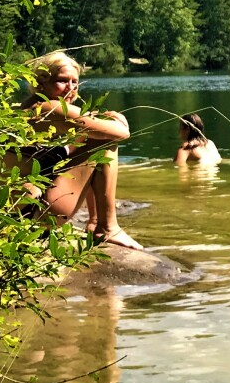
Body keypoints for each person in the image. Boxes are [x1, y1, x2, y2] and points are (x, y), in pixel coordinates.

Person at [11, 52, 143, 250]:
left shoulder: (28, 106)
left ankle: (95, 221)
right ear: (41, 82)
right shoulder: (51, 108)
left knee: (86, 138)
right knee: (104, 142)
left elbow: (84, 126)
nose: (71, 89)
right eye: (62, 81)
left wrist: (96, 120)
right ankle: (107, 227)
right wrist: (118, 120)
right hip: (37, 215)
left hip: (19, 217)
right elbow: (120, 134)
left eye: (75, 82)